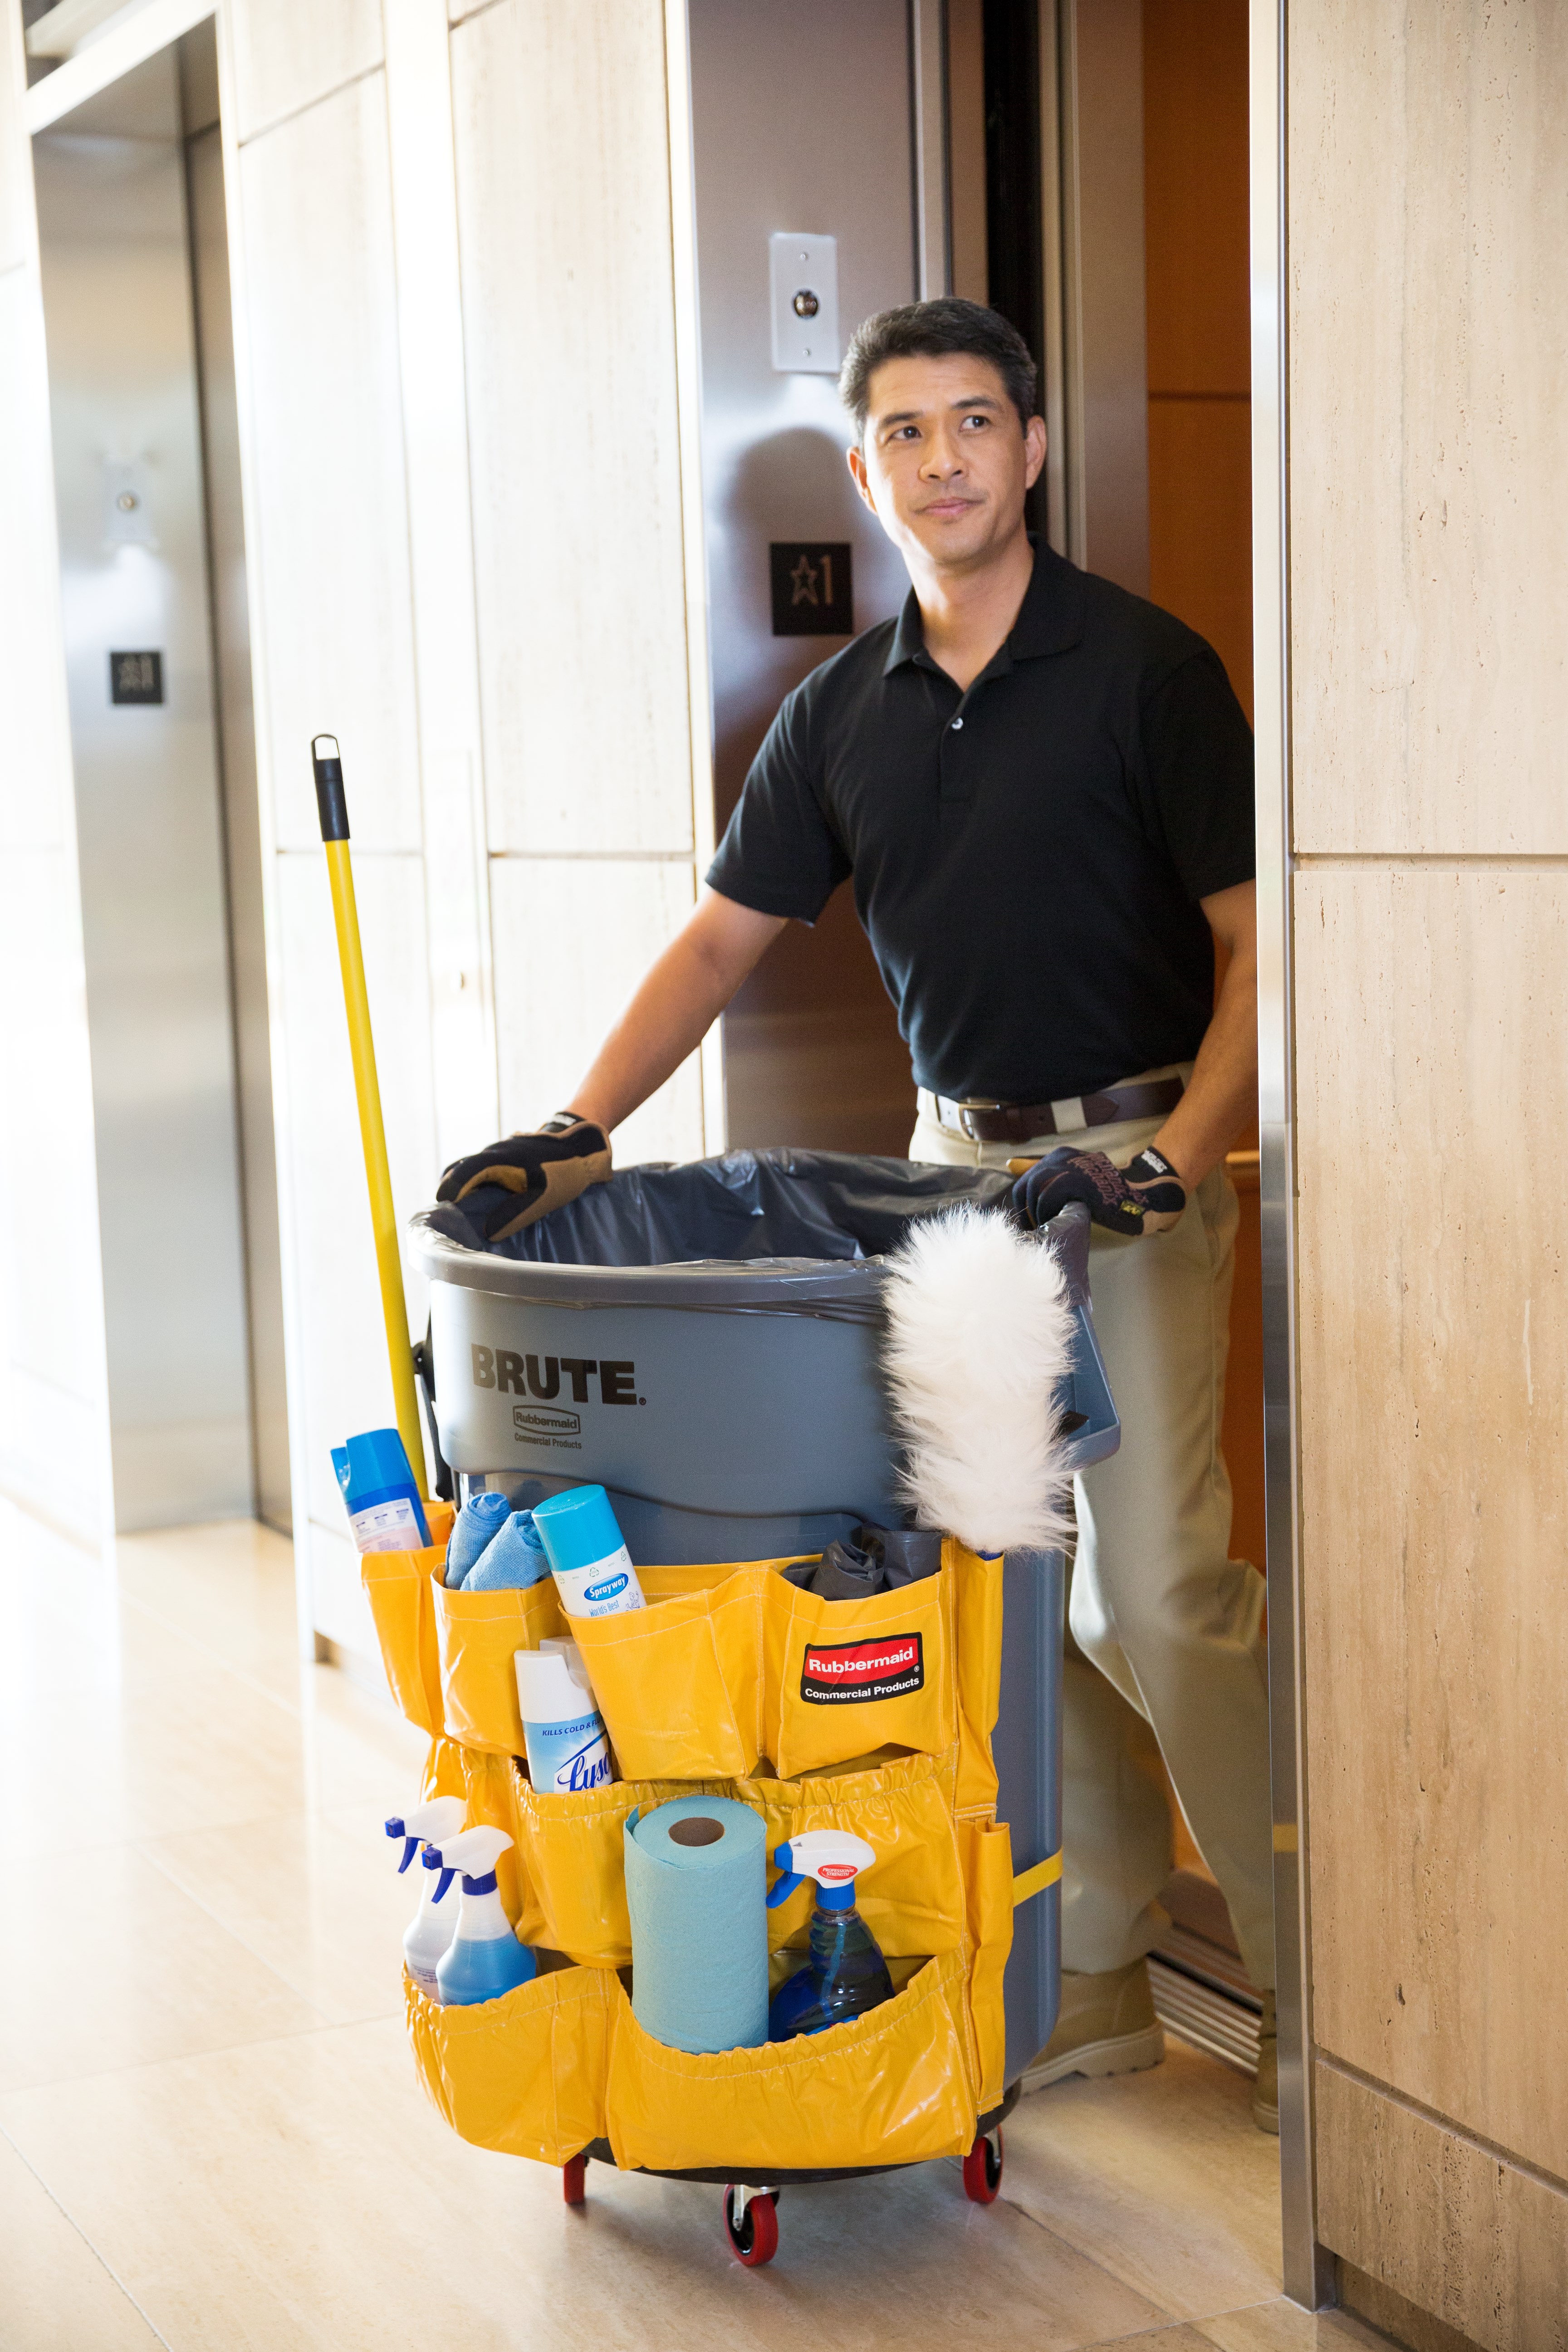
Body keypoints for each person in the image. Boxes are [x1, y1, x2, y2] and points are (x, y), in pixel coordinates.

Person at [438, 298, 1277, 2131]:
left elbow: (1253, 955)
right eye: (907, 432)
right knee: (1007, 1586)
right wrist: (576, 1130)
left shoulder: (1149, 673)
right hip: (952, 1182)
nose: (946, 460)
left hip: (1127, 1170)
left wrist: (1178, 1156)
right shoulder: (840, 715)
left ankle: (1322, 1975)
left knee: (1158, 1595)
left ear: (1033, 448)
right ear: (865, 469)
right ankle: (1107, 1961)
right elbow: (723, 939)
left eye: (977, 422)